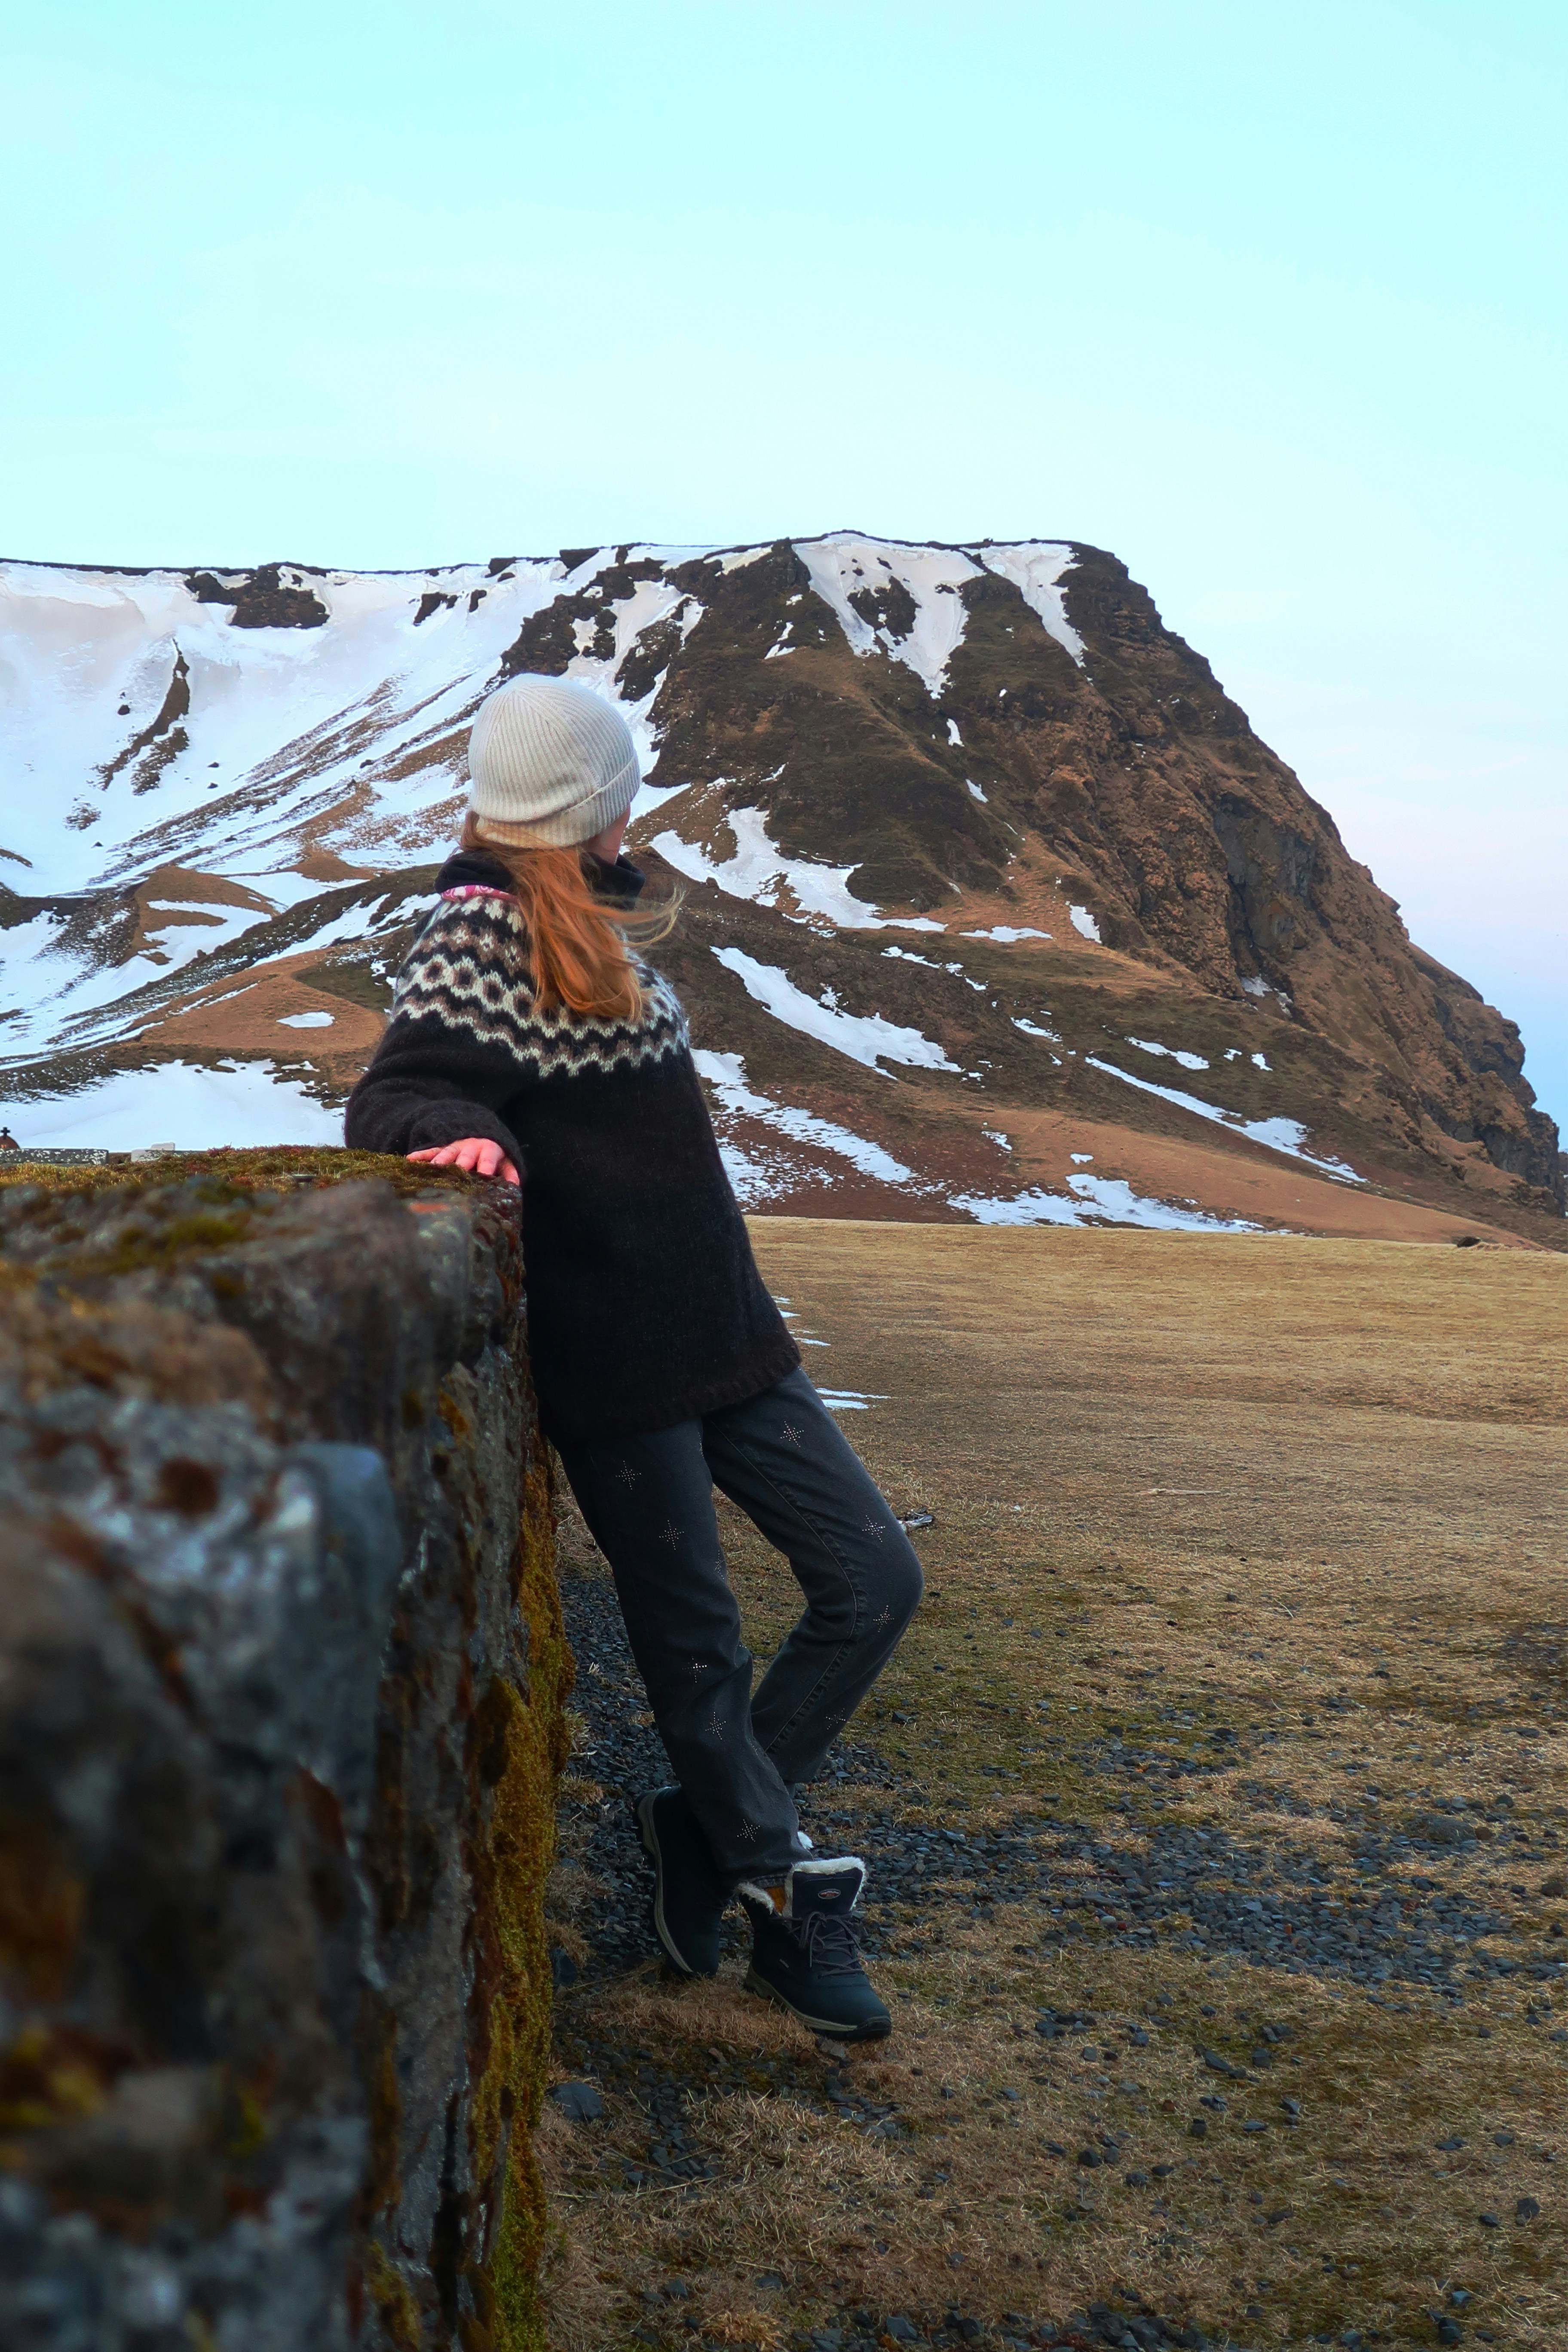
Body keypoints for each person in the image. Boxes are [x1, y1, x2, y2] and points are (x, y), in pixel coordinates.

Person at [345, 675, 922, 2041]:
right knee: (696, 1649)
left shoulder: (598, 925)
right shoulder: (476, 935)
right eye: (621, 790)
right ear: (597, 806)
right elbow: (393, 1090)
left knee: (873, 1579)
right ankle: (781, 1897)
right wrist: (453, 1129)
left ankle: (706, 1829)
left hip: (731, 1338)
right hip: (614, 1370)